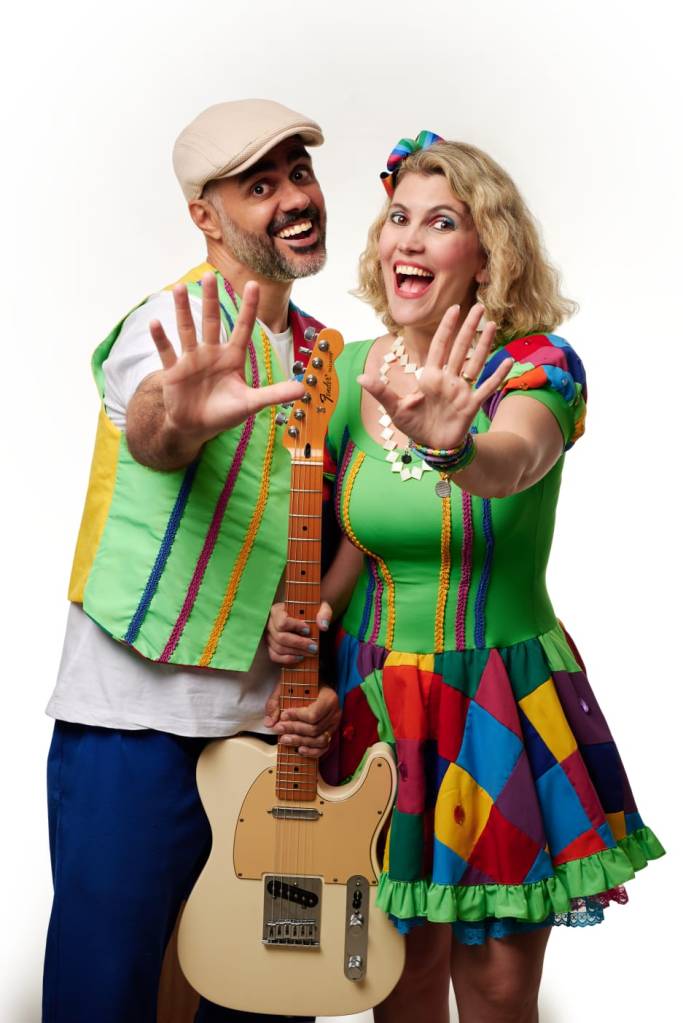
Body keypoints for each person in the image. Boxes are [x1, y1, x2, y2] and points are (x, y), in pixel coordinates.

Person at [267, 131, 665, 1023]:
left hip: (495, 700)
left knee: (495, 986)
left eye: (440, 222)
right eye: (397, 217)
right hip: (372, 699)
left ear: (488, 251)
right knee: (395, 977)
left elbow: (515, 459)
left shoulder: (538, 367)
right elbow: (352, 543)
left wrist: (453, 445)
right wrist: (306, 626)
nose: (407, 239)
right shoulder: (347, 372)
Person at [44, 99, 341, 1023]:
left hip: (272, 738)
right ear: (204, 216)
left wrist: (318, 653)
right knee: (104, 989)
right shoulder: (167, 328)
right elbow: (155, 430)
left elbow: (327, 544)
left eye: (298, 174)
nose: (294, 198)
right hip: (135, 724)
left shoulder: (326, 357)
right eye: (260, 186)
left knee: (271, 991)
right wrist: (177, 417)